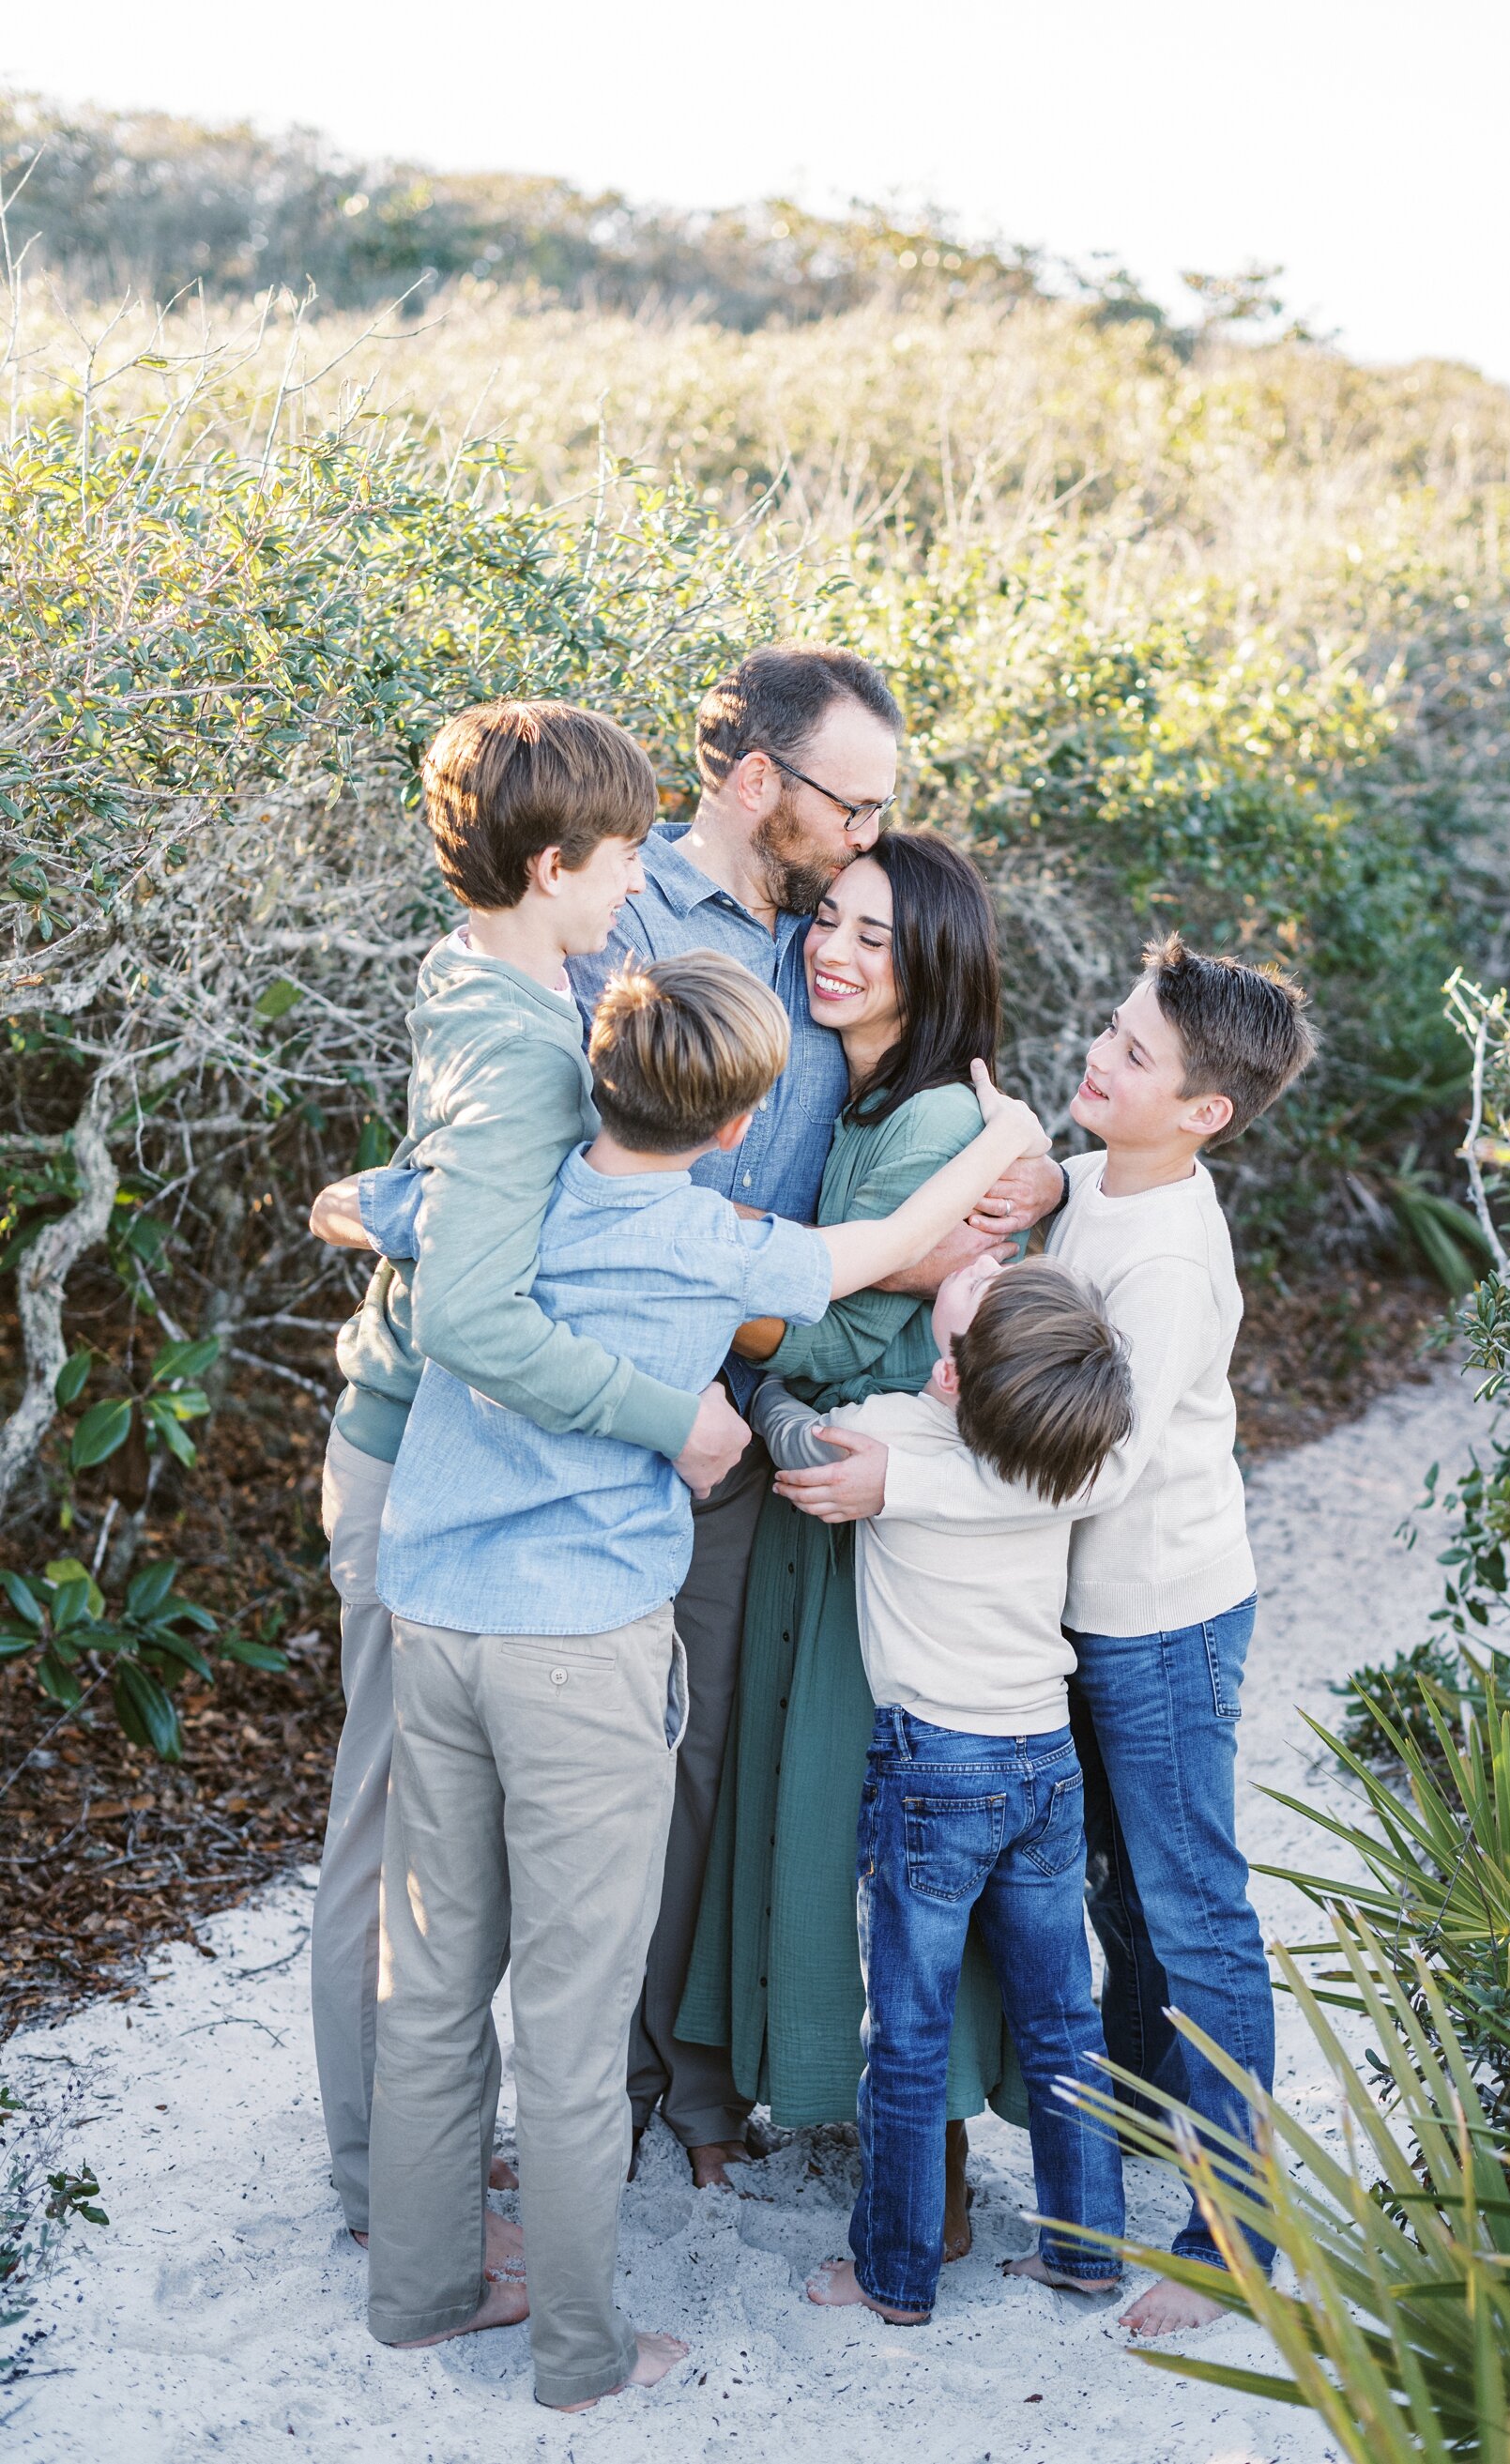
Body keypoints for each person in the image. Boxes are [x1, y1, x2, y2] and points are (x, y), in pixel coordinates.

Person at [344, 953, 1050, 2408]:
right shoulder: (719, 1243)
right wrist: (1004, 1132)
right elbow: (897, 1243)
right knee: (574, 1999)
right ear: (736, 1129)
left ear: (593, 1076)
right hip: (576, 1644)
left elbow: (370, 1202)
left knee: (431, 1977)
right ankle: (583, 2353)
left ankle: (420, 2291)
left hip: (436, 1613)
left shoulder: (505, 1184)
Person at [562, 648, 1065, 2190]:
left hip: (778, 1438)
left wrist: (1024, 1172)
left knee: (733, 1770)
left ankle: (720, 2096)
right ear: (759, 780)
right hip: (625, 1408)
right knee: (608, 1775)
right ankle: (597, 2109)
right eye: (851, 810)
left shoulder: (812, 936)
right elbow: (583, 1188)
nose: (862, 848)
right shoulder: (627, 924)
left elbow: (943, 1102)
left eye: (879, 838)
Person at [779, 934, 1318, 2339]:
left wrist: (900, 1478)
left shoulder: (1170, 1271)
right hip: (1080, 1621)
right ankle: (1131, 2158)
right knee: (1119, 1906)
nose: (1101, 1052)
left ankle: (1237, 2239)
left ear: (1204, 1112)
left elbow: (1086, 1470)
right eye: (1115, 1025)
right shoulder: (1103, 1187)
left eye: (1134, 1055)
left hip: (1161, 1619)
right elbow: (1067, 1201)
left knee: (1190, 1909)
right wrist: (1030, 1176)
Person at [307, 700, 743, 2257]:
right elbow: (491, 1312)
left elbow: (463, 1202)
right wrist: (669, 1420)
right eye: (624, 859)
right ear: (555, 861)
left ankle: (407, 2175)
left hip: (441, 1465)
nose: (639, 886)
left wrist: (393, 1205)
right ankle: (386, 2191)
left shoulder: (498, 972)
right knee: (390, 1853)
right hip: (421, 1459)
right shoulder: (519, 1028)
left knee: (410, 1851)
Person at [676, 830, 1041, 2251]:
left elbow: (836, 1326)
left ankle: (930, 2189)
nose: (831, 949)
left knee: (866, 1830)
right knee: (803, 1808)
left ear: (936, 959)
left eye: (872, 935)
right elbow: (807, 1335)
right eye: (826, 919)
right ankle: (812, 2108)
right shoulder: (856, 1095)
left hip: (865, 1534)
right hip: (806, 1492)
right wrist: (768, 1383)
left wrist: (699, 1263)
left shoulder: (942, 1123)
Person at [753, 1254, 1134, 2322]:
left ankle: (896, 2274)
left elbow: (795, 1437)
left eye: (965, 1299)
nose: (979, 1266)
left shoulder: (893, 1429)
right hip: (1042, 1763)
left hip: (934, 1767)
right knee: (1062, 2022)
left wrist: (761, 1390)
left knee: (910, 2034)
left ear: (956, 1375)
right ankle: (1088, 2253)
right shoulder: (1077, 1454)